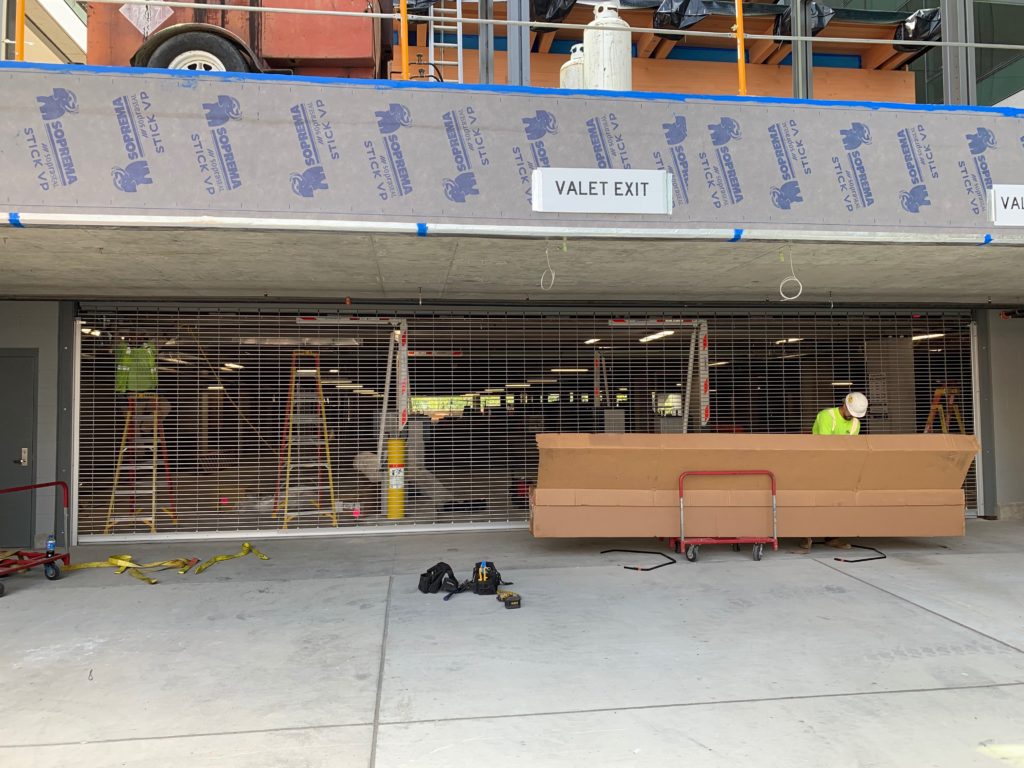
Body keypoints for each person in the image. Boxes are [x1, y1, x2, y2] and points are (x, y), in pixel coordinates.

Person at [800, 391, 869, 551]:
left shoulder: (855, 424)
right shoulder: (827, 416)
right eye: (850, 413)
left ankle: (832, 537)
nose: (852, 417)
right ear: (845, 404)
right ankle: (806, 536)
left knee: (837, 501)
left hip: (839, 467)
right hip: (817, 464)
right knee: (812, 501)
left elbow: (850, 449)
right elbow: (825, 446)